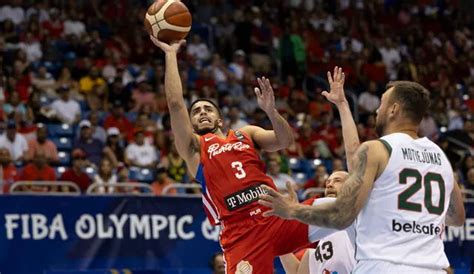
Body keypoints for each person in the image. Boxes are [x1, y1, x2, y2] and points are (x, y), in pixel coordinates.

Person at [150, 36, 328, 273]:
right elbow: (174, 104)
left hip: (277, 213)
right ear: (191, 123)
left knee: (343, 209)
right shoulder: (194, 147)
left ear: (219, 118)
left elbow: (285, 140)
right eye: (196, 111)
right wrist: (171, 54)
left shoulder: (246, 133)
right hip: (241, 232)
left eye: (208, 109)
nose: (202, 112)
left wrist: (272, 112)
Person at [260, 80, 466, 273]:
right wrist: (417, 219)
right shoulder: (440, 158)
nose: (377, 109)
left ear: (394, 109)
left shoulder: (378, 150)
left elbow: (341, 215)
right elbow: (457, 218)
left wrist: (292, 210)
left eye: (383, 103)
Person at [280, 67, 358, 274]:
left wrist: (342, 105)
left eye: (338, 179)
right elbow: (297, 272)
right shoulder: (319, 245)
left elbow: (353, 152)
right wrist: (277, 231)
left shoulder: (359, 216)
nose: (329, 183)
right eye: (328, 181)